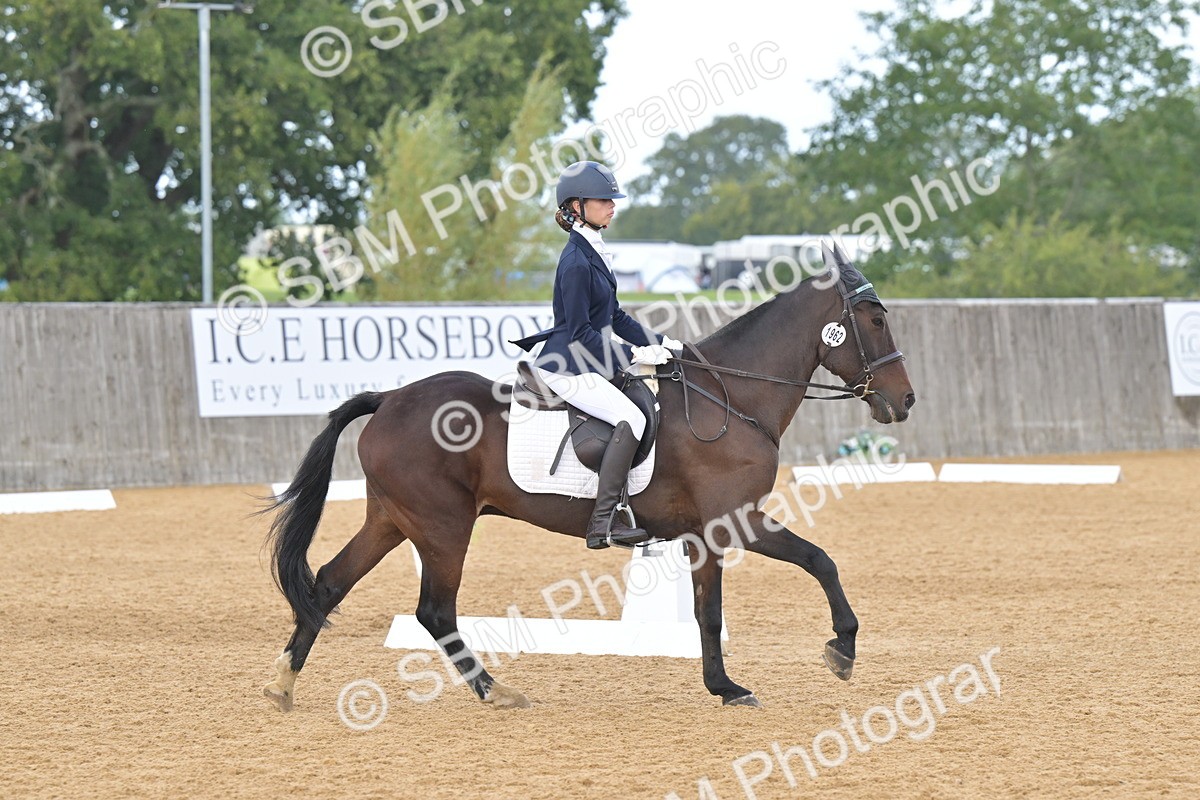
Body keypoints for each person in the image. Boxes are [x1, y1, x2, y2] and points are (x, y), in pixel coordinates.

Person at [512, 161, 683, 550]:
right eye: (603, 200)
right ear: (576, 206)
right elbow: (578, 332)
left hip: (589, 358)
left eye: (612, 199)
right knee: (632, 418)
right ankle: (603, 521)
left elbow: (615, 316)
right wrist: (633, 354)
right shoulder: (574, 262)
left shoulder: (594, 251)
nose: (612, 205)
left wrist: (663, 340)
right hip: (566, 366)